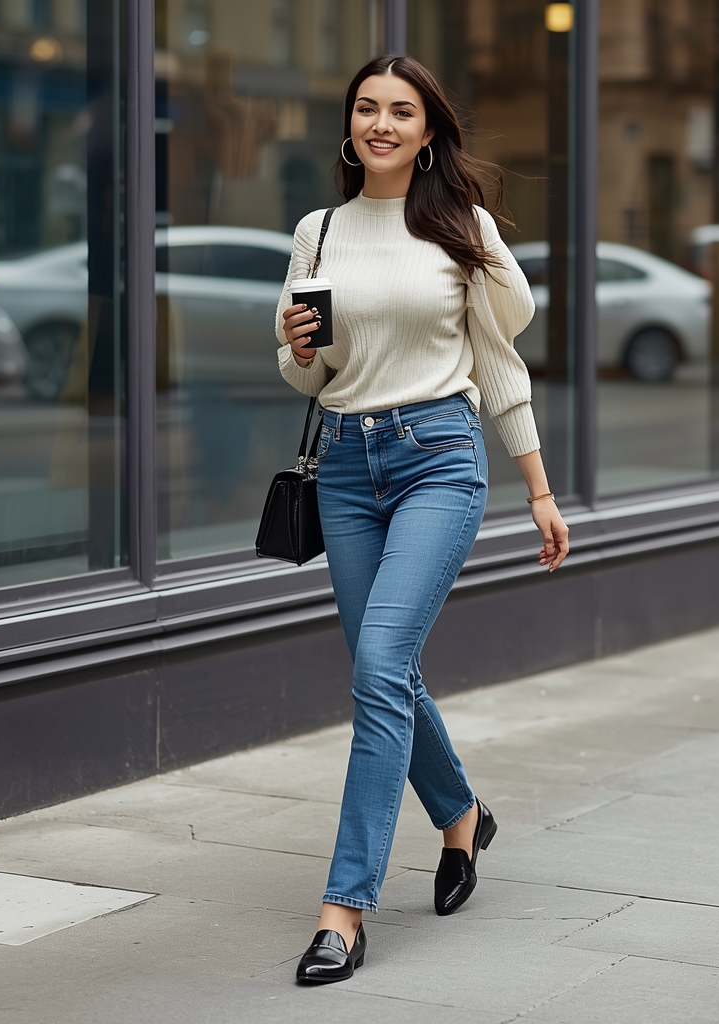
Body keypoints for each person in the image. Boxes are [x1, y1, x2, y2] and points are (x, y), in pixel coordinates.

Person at [275, 53, 570, 985]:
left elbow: (501, 360)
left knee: (376, 670)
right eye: (367, 107)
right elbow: (308, 379)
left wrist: (537, 486)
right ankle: (463, 817)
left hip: (440, 459)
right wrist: (293, 346)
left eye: (402, 111)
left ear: (429, 130)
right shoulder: (316, 232)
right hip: (348, 471)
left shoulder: (458, 227)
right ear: (350, 125)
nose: (382, 124)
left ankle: (344, 907)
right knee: (386, 671)